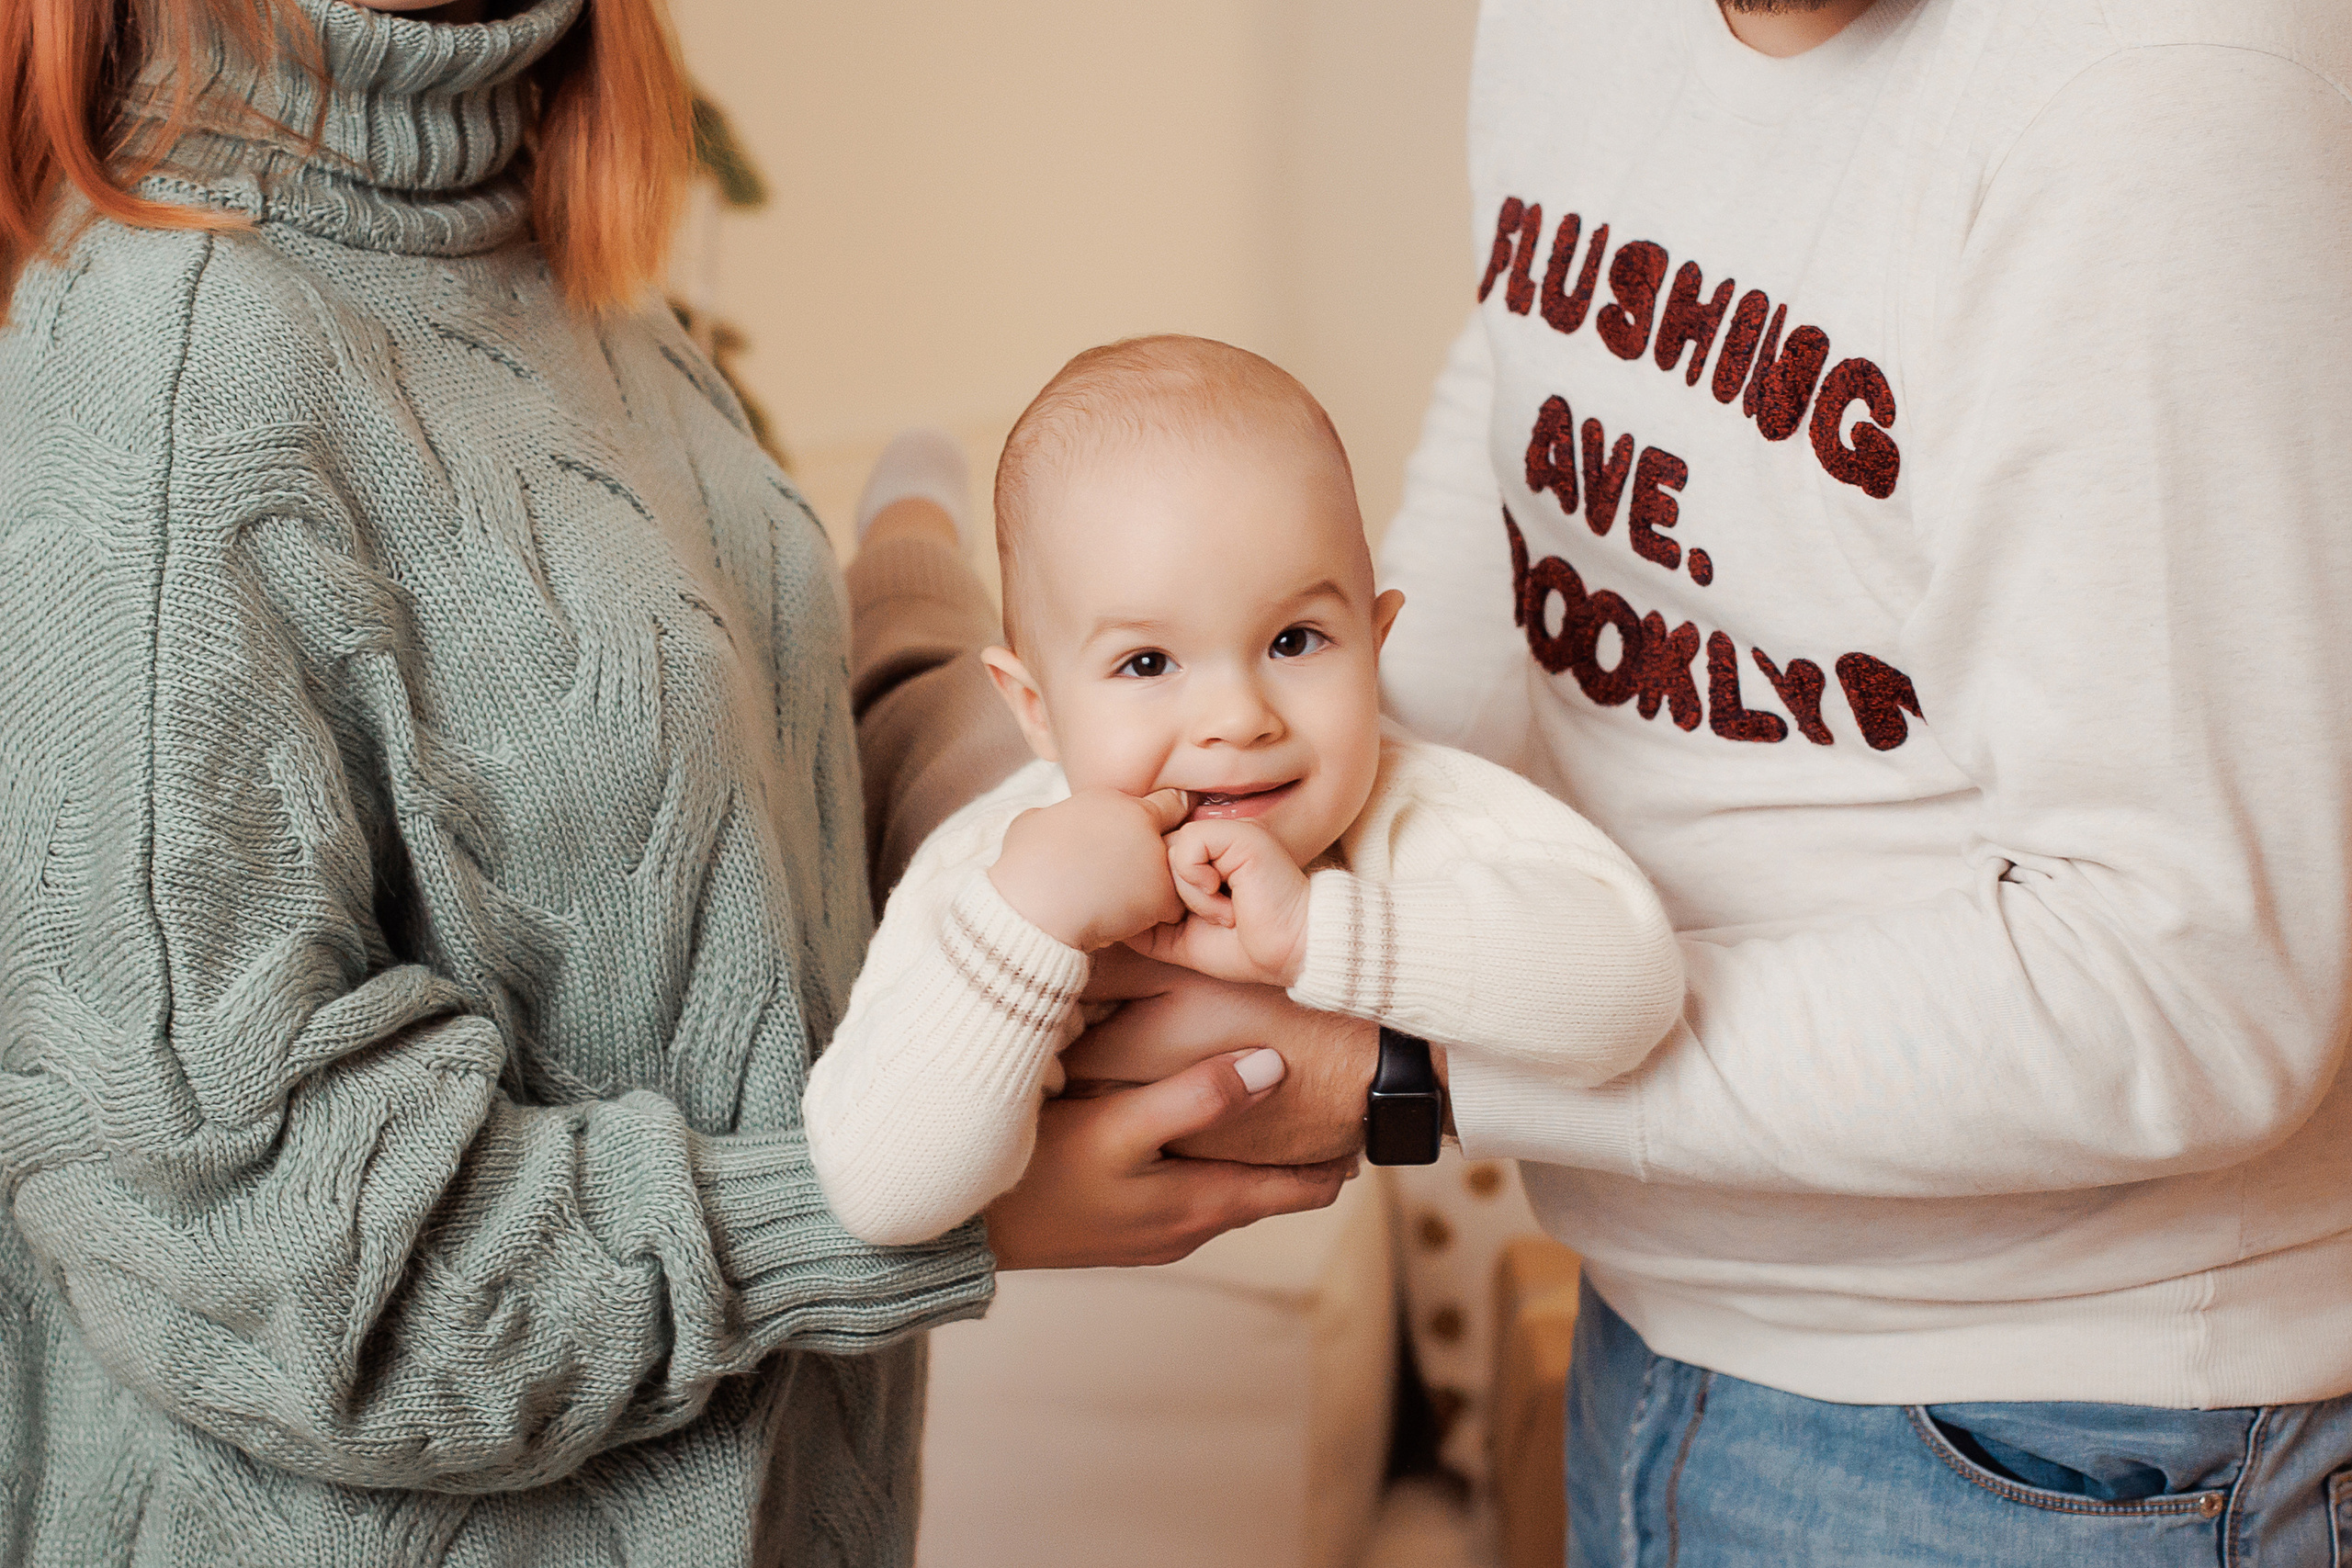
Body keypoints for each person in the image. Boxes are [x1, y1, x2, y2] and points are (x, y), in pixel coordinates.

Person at [0, 1, 1346, 1562]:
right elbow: (275, 1261)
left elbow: (709, 905)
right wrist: (903, 1209)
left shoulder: (588, 304)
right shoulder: (164, 366)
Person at [1360, 0, 2352, 1561]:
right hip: (1651, 1329)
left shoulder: (2166, 80)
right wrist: (1299, 850)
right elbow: (1537, 398)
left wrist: (1415, 1052)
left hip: (2070, 1449)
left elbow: (2199, 985)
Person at [799, 337, 1684, 1247]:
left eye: (1295, 641)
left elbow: (1632, 989)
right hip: (958, 768)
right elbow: (879, 1193)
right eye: (1147, 661)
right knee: (904, 665)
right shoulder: (991, 874)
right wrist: (1021, 924)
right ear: (1036, 706)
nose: (1238, 718)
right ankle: (911, 520)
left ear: (1376, 644)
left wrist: (1315, 934)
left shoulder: (1409, 800)